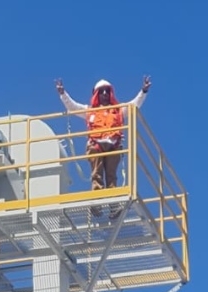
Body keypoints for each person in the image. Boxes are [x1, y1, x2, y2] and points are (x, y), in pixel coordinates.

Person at [55, 75, 151, 216]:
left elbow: (134, 105)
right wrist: (63, 93)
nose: (104, 94)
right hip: (96, 146)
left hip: (113, 146)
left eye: (107, 91)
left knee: (111, 177)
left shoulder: (118, 110)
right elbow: (73, 107)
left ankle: (113, 207)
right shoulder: (89, 111)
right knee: (97, 175)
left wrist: (143, 91)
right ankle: (97, 204)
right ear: (96, 94)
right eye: (101, 91)